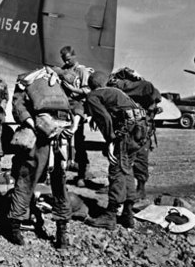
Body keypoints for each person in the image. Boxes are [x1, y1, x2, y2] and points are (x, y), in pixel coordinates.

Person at [5, 66, 75, 248]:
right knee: (60, 185)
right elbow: (75, 104)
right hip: (61, 136)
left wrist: (32, 124)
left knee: (26, 179)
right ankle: (62, 233)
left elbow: (18, 108)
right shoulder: (57, 81)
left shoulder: (25, 81)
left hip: (40, 137)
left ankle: (15, 228)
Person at [84, 72, 149, 230]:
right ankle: (127, 213)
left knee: (117, 171)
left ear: (92, 85)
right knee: (127, 170)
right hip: (140, 131)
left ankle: (110, 215)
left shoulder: (94, 95)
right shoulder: (116, 92)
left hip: (126, 134)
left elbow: (104, 118)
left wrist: (111, 140)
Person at [107, 67, 161, 201]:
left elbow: (151, 92)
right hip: (130, 130)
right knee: (124, 160)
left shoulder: (144, 88)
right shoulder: (130, 91)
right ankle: (123, 188)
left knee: (139, 160)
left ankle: (140, 190)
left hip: (140, 131)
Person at [59, 46, 94, 187]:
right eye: (64, 60)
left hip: (78, 105)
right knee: (61, 140)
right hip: (65, 106)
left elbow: (87, 90)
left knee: (78, 141)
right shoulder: (64, 70)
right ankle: (60, 173)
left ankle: (82, 174)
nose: (66, 62)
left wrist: (73, 89)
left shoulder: (82, 71)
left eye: (68, 59)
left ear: (74, 56)